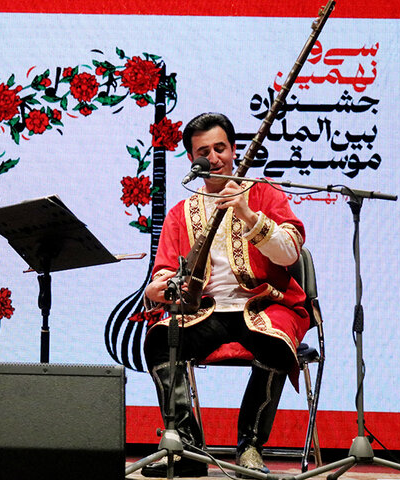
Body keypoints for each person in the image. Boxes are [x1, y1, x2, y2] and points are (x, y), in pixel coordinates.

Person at [140, 112, 310, 477]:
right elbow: (165, 273)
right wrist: (160, 289)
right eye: (205, 151)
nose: (214, 157)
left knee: (276, 343)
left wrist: (249, 214)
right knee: (160, 339)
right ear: (192, 159)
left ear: (234, 150)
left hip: (263, 304)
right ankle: (188, 450)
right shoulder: (180, 213)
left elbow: (289, 254)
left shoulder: (263, 193)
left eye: (221, 148)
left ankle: (249, 447)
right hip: (207, 311)